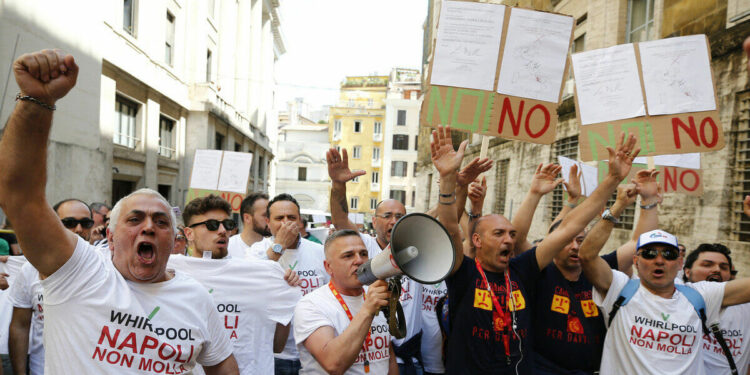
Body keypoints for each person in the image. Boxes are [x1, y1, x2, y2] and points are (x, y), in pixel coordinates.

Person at [0, 49, 238, 373]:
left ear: (176, 240)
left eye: (161, 221)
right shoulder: (78, 273)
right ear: (110, 237)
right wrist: (36, 101)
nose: (149, 227)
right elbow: (20, 195)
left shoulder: (195, 297)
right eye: (135, 219)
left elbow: (223, 366)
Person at [431, 125, 639, 374]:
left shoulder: (522, 270)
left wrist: (612, 179)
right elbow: (450, 228)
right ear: (476, 240)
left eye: (511, 234)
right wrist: (448, 180)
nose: (508, 239)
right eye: (498, 234)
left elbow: (570, 227)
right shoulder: (463, 273)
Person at [513, 164, 661, 374]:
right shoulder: (540, 272)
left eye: (581, 240)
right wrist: (535, 193)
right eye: (567, 241)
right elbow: (517, 239)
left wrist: (648, 201)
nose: (575, 246)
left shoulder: (600, 269)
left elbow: (640, 242)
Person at [582, 225, 750, 374]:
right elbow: (587, 255)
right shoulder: (620, 289)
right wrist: (615, 209)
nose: (660, 260)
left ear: (679, 263)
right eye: (649, 254)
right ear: (636, 261)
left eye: (669, 254)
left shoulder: (700, 295)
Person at [170, 195, 299, 374]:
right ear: (189, 233)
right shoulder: (170, 271)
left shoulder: (257, 273)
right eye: (212, 225)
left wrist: (284, 291)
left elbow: (276, 346)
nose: (223, 230)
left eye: (228, 225)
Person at [293, 229, 397, 374]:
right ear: (328, 267)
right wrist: (367, 310)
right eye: (348, 256)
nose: (359, 261)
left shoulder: (374, 295)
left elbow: (388, 354)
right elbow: (333, 364)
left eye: (363, 254)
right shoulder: (310, 305)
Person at [249, 193, 328, 374]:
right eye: (279, 218)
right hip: (275, 355)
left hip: (315, 354)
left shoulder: (320, 251)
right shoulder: (257, 251)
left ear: (300, 221)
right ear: (268, 223)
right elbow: (254, 281)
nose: (286, 223)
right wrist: (280, 245)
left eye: (291, 217)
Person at [682, 243, 750, 374]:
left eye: (724, 267)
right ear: (687, 271)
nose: (717, 270)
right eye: (707, 265)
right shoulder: (674, 301)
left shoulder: (746, 308)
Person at [227, 193, 271, 259]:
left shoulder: (272, 247)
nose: (269, 219)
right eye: (265, 215)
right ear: (247, 218)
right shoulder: (227, 246)